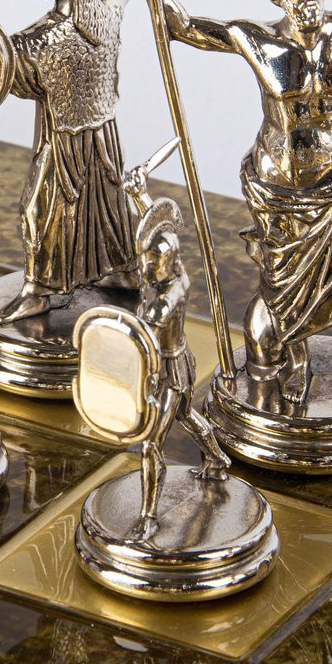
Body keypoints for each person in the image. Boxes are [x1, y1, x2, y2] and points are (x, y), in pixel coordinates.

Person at [158, 0, 332, 397]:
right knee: (281, 278)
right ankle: (296, 354)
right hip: (279, 185)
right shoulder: (258, 39)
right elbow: (184, 27)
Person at [0, 0, 141, 325]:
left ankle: (39, 291)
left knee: (39, 210)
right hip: (105, 138)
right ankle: (121, 270)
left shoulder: (40, 40)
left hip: (63, 142)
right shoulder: (107, 15)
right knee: (107, 206)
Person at [127, 188, 229, 543]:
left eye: (151, 262)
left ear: (166, 263)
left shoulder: (167, 299)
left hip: (169, 373)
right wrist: (140, 196)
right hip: (177, 362)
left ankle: (148, 516)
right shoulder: (179, 272)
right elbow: (158, 230)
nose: (144, 268)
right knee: (187, 415)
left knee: (151, 442)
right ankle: (217, 459)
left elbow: (144, 333)